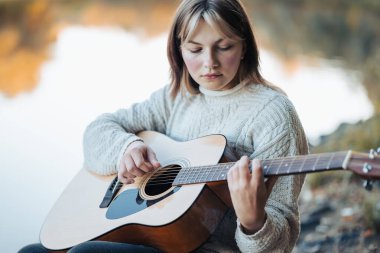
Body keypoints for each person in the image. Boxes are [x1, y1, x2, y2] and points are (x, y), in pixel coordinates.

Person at [19, 0, 308, 252]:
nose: (210, 63)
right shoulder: (176, 98)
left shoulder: (273, 114)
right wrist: (126, 147)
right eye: (195, 49)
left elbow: (279, 245)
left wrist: (253, 222)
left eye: (224, 47)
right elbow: (99, 129)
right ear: (178, 49)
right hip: (148, 237)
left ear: (244, 46)